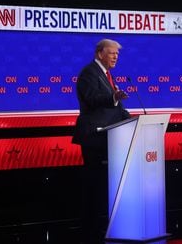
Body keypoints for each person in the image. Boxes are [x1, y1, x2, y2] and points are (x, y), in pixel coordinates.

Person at [72, 38, 131, 241]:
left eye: (117, 54)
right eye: (112, 53)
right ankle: (90, 230)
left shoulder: (107, 75)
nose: (116, 56)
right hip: (94, 138)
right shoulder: (89, 73)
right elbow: (93, 99)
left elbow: (114, 107)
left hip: (106, 138)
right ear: (100, 54)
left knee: (101, 185)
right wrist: (114, 97)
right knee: (93, 185)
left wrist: (133, 120)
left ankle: (101, 227)